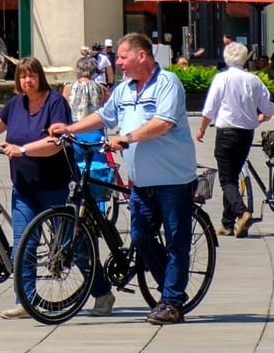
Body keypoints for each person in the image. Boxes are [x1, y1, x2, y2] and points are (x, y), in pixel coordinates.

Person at [53, 32, 197, 326]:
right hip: (141, 182)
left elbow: (164, 123)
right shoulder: (124, 89)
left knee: (176, 242)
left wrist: (127, 138)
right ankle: (168, 290)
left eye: (122, 57)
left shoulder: (168, 83)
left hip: (173, 180)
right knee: (142, 239)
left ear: (141, 56)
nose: (117, 62)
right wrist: (70, 129)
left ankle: (171, 302)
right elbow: (104, 117)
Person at [0, 56, 94, 319]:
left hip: (55, 186)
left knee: (71, 245)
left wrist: (22, 150)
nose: (27, 80)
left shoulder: (55, 102)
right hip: (24, 187)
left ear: (40, 77)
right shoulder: (16, 104)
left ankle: (100, 290)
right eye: (22, 76)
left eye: (32, 75)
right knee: (23, 243)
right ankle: (26, 300)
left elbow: (56, 142)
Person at [195, 42, 271, 237]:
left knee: (226, 179)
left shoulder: (222, 78)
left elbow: (210, 108)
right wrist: (261, 117)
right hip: (246, 133)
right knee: (233, 176)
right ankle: (227, 223)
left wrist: (202, 129)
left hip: (226, 132)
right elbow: (268, 108)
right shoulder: (253, 80)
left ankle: (242, 212)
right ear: (245, 59)